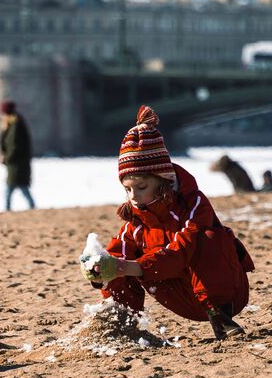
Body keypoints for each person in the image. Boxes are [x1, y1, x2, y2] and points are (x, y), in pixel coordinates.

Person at [81, 106, 255, 341]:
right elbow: (120, 250)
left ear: (163, 180)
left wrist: (132, 267)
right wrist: (101, 268)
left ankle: (220, 319)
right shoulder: (137, 218)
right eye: (127, 189)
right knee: (115, 260)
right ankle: (124, 323)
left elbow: (182, 250)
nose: (133, 196)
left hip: (226, 295)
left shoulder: (194, 204)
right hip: (179, 295)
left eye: (141, 188)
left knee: (209, 238)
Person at [0, 100, 35, 211]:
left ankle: (8, 209)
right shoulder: (13, 124)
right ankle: (30, 206)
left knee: (13, 188)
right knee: (19, 187)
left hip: (17, 164)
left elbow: (14, 146)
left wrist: (6, 158)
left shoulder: (16, 125)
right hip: (16, 164)